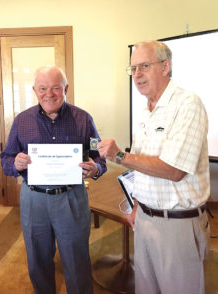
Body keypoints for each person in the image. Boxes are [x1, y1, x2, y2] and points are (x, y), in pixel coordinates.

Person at [97, 40, 210, 294]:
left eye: (144, 66)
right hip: (145, 219)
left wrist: (119, 156)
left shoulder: (187, 104)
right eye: (133, 68)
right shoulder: (147, 112)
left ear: (166, 66)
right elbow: (142, 169)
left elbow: (174, 170)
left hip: (176, 224)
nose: (137, 74)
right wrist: (137, 206)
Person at [0, 66, 107, 294]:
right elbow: (6, 158)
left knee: (76, 259)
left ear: (65, 89)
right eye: (43, 88)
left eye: (56, 88)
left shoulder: (84, 119)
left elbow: (99, 157)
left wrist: (95, 167)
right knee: (38, 261)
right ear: (35, 90)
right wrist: (14, 163)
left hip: (71, 197)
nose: (49, 93)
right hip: (33, 199)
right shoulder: (22, 121)